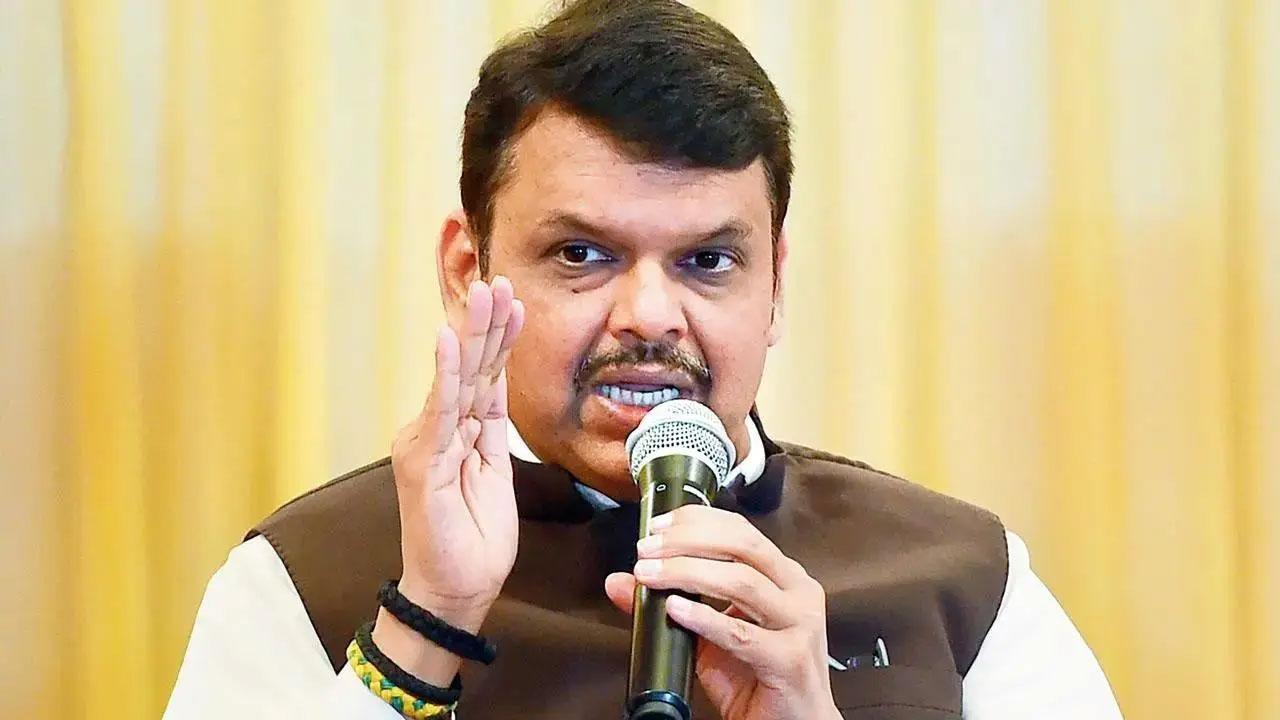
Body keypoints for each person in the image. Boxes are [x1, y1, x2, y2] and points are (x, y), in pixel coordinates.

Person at [165, 1, 1123, 718]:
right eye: (582, 254)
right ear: (468, 272)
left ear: (775, 284)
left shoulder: (960, 579)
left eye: (707, 262)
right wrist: (425, 622)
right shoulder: (305, 578)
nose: (651, 316)